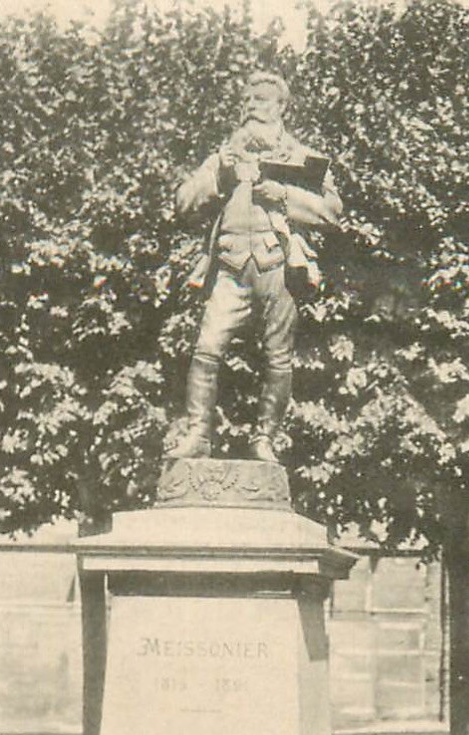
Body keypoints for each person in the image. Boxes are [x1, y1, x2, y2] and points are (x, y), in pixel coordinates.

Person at [166, 72, 342, 464]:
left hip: (277, 266)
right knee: (207, 348)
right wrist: (219, 179)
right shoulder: (224, 156)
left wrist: (284, 195)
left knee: (278, 356)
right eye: (249, 99)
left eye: (263, 99)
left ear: (282, 107)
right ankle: (197, 435)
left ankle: (266, 439)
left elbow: (333, 212)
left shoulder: (301, 158)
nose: (253, 106)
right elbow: (183, 204)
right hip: (228, 266)